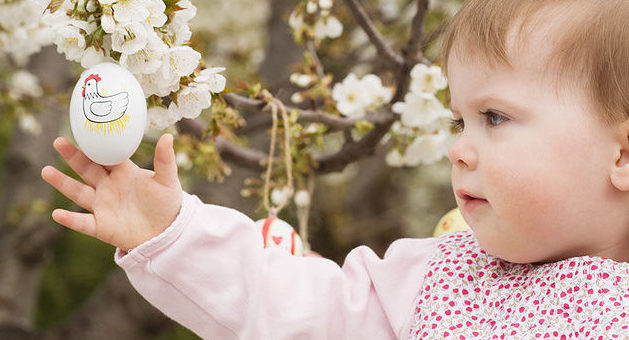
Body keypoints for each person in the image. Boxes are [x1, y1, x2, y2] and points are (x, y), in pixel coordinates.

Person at [41, 0, 629, 338]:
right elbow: (296, 310)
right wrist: (172, 234)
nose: (459, 149)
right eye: (458, 123)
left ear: (621, 155)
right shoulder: (440, 281)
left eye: (495, 117)